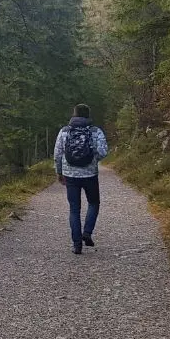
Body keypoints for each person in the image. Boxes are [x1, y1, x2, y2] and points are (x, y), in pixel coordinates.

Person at [53, 104, 109, 254]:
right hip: (90, 174)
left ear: (74, 114)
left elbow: (58, 154)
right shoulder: (95, 131)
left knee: (74, 209)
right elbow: (103, 152)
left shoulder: (65, 131)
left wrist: (59, 172)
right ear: (88, 115)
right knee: (94, 203)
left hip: (70, 175)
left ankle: (77, 244)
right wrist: (92, 158)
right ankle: (87, 232)